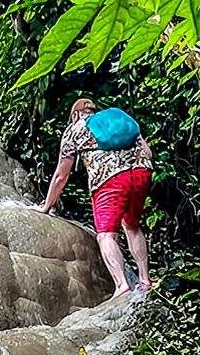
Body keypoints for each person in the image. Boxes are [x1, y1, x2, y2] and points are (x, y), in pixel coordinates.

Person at [37, 97, 154, 299]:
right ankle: (145, 280)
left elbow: (61, 175)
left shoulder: (75, 129)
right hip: (142, 172)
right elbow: (149, 153)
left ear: (75, 115)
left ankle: (122, 285)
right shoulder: (116, 119)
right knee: (132, 225)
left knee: (106, 235)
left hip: (110, 180)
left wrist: (47, 206)